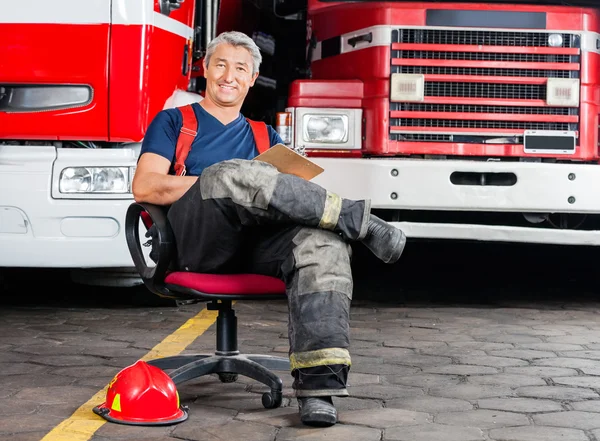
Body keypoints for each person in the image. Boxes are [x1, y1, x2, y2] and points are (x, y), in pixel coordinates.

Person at [132, 30, 406, 427]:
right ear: (205, 69)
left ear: (252, 78)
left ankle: (318, 389)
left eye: (240, 68)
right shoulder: (174, 121)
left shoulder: (265, 135)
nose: (229, 75)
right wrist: (221, 180)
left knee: (321, 243)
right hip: (196, 243)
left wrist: (272, 182)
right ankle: (362, 222)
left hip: (254, 248)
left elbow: (287, 202)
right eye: (221, 64)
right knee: (230, 174)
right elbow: (145, 186)